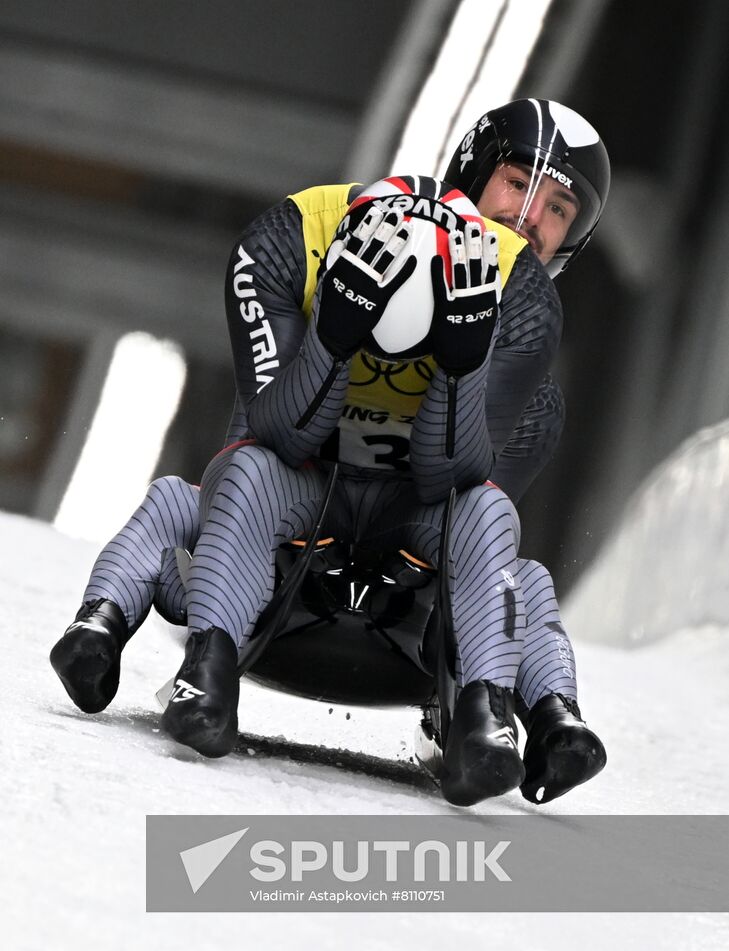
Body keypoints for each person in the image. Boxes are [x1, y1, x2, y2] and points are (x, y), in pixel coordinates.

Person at [50, 98, 609, 806]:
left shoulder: (527, 312)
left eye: (557, 208)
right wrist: (334, 334)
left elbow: (459, 490)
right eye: (515, 181)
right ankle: (114, 631)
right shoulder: (295, 238)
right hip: (269, 561)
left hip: (407, 607)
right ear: (470, 174)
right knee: (192, 495)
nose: (527, 215)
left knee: (514, 566)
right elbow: (278, 434)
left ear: (569, 240)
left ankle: (529, 719)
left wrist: (460, 364)